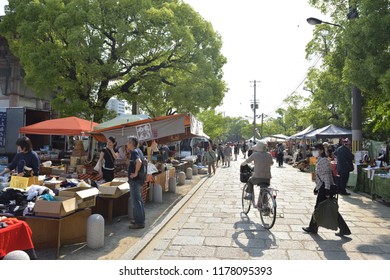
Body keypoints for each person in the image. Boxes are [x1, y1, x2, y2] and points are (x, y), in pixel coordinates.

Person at [302, 143, 351, 236]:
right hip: (322, 187)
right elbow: (319, 176)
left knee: (319, 208)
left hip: (325, 188)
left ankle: (313, 228)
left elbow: (327, 176)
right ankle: (344, 229)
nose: (314, 151)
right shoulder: (318, 160)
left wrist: (327, 189)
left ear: (321, 150)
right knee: (325, 208)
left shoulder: (324, 161)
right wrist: (316, 188)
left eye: (316, 149)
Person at [127, 136, 146, 229]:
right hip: (138, 180)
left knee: (136, 201)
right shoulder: (139, 150)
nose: (127, 144)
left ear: (131, 143)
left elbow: (138, 162)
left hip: (135, 180)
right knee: (139, 200)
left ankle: (139, 222)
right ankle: (140, 219)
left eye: (128, 142)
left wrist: (135, 173)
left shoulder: (134, 152)